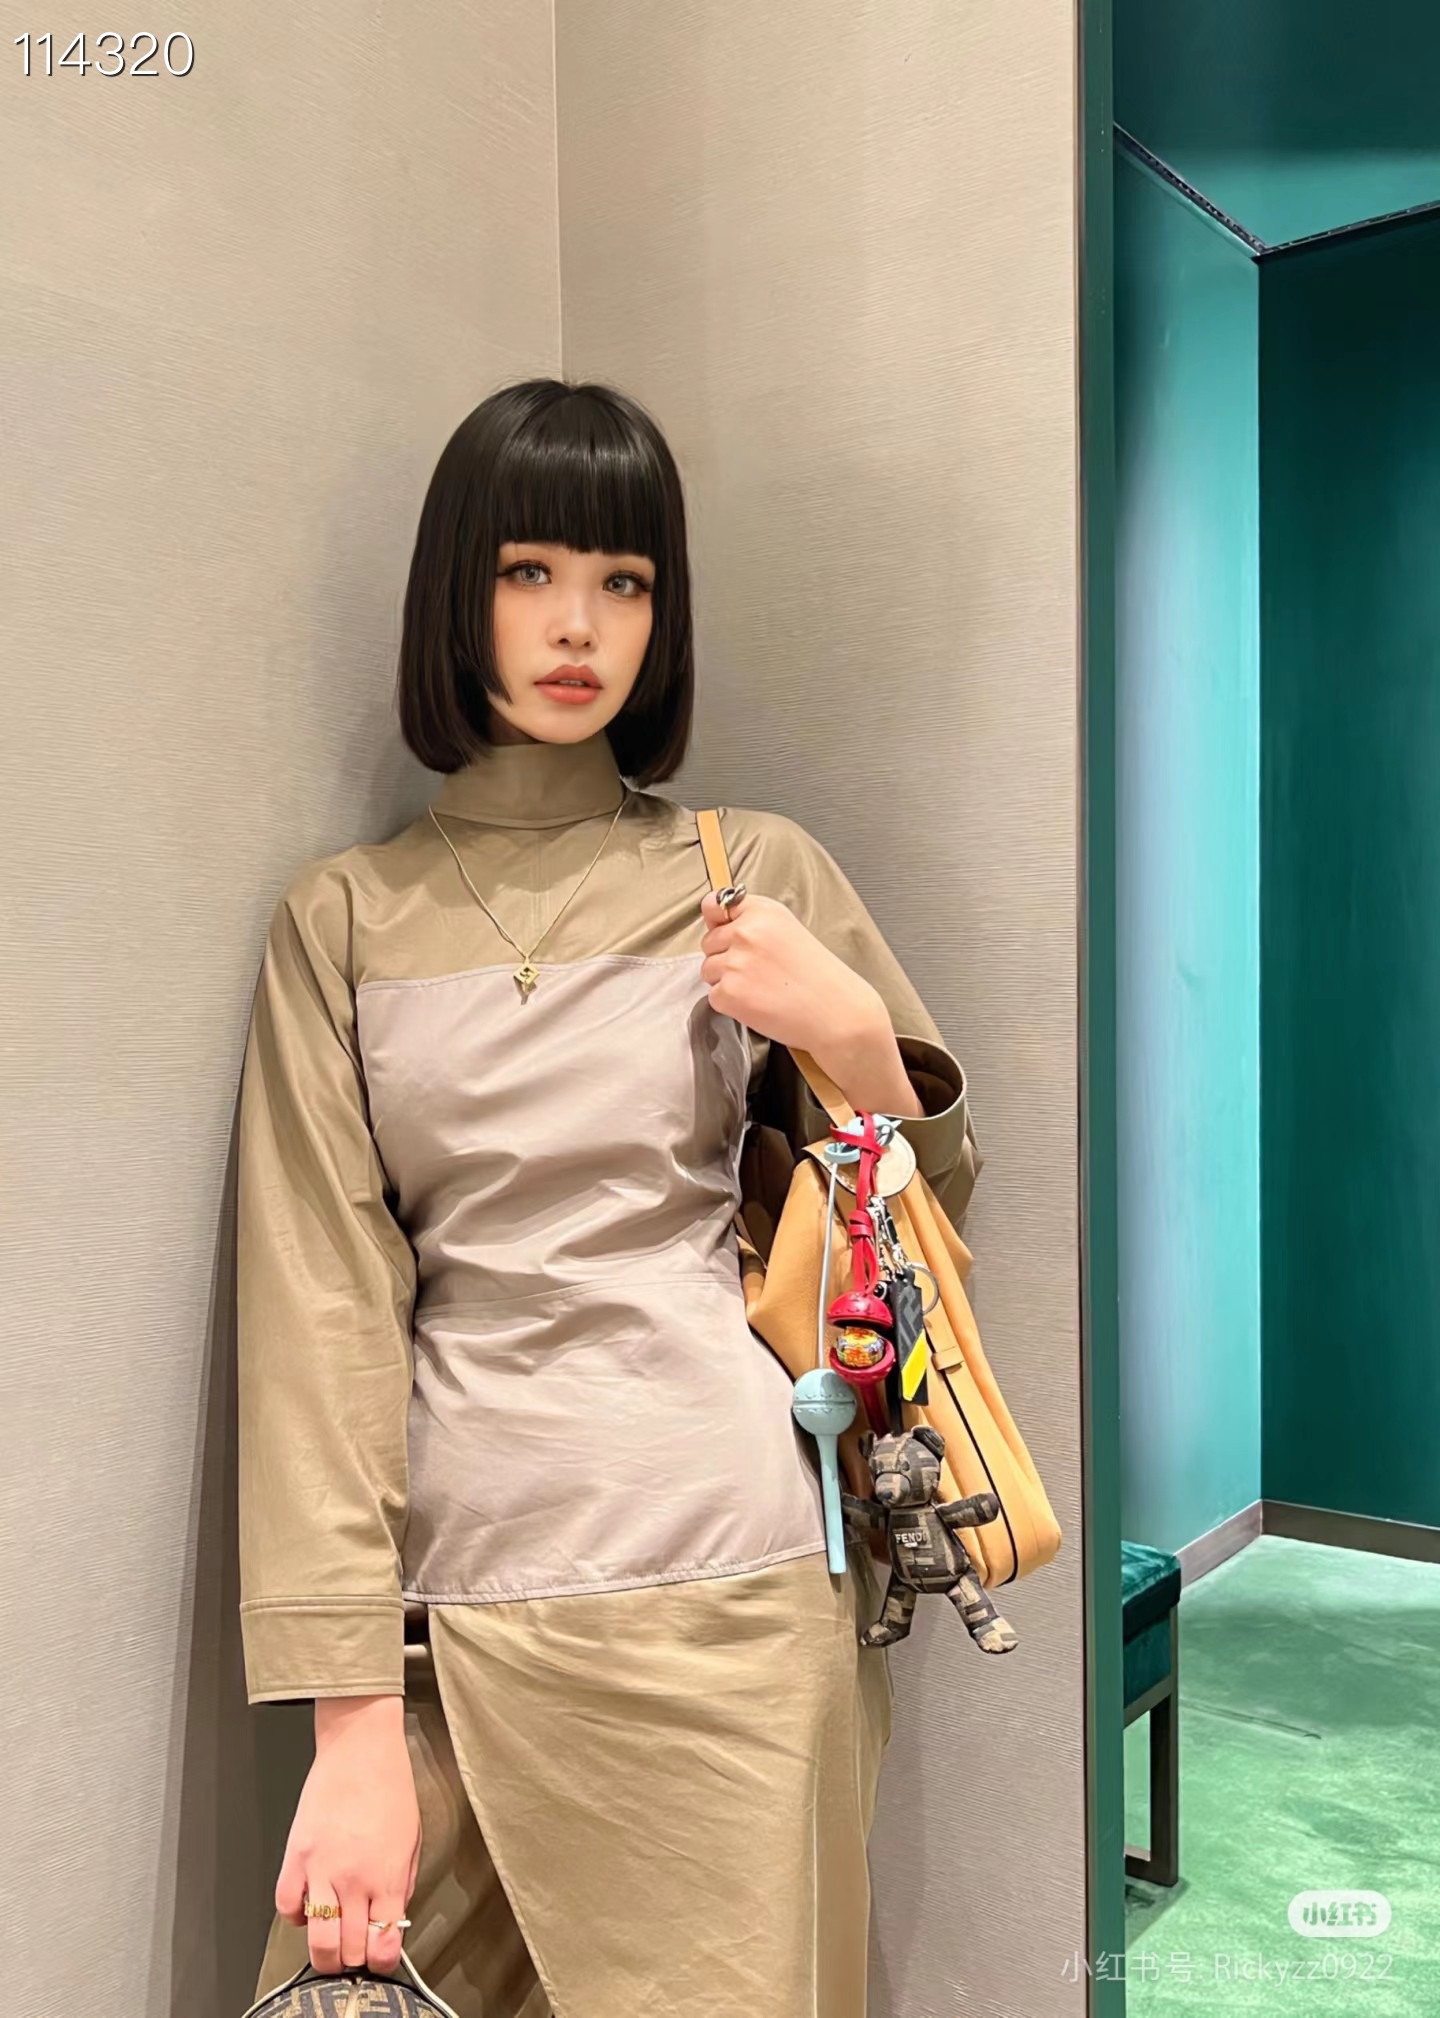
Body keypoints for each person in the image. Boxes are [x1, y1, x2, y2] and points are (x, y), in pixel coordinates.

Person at [237, 376, 983, 2018]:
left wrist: (856, 1037)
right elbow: (319, 1317)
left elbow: (918, 1232)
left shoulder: (750, 872)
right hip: (455, 1606)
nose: (579, 625)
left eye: (624, 581)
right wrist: (349, 1720)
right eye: (531, 572)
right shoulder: (343, 919)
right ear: (459, 591)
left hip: (739, 1585)